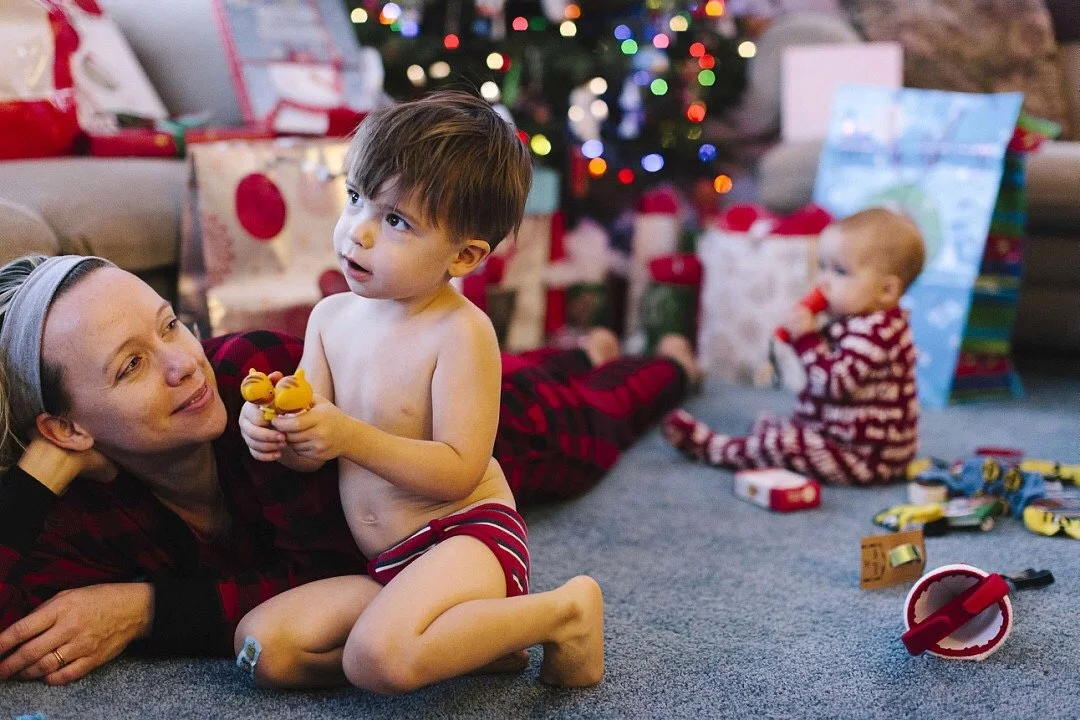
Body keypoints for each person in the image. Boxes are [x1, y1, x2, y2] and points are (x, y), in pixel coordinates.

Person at [0, 249, 692, 686]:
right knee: (548, 381)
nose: (185, 364)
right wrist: (37, 478)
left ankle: (661, 358)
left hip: (433, 452)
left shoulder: (258, 375)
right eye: (131, 366)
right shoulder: (82, 513)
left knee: (582, 417)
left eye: (170, 325)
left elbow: (338, 566)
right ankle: (582, 350)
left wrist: (152, 610)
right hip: (392, 515)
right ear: (65, 427)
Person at [235, 91, 615, 694]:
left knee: (375, 663)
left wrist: (347, 433)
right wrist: (275, 431)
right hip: (387, 565)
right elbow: (314, 445)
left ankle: (565, 612)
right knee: (263, 649)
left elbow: (458, 472)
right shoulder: (330, 319)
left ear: (463, 255)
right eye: (356, 199)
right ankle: (467, 643)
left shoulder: (460, 333)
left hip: (469, 538)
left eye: (395, 222)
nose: (357, 232)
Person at [663, 207, 925, 485]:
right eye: (822, 266)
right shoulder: (861, 320)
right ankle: (768, 439)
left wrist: (806, 338)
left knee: (783, 445)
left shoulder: (877, 334)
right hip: (836, 434)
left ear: (886, 291)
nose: (823, 280)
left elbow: (833, 383)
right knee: (775, 426)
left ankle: (714, 448)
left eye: (840, 271)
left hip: (865, 458)